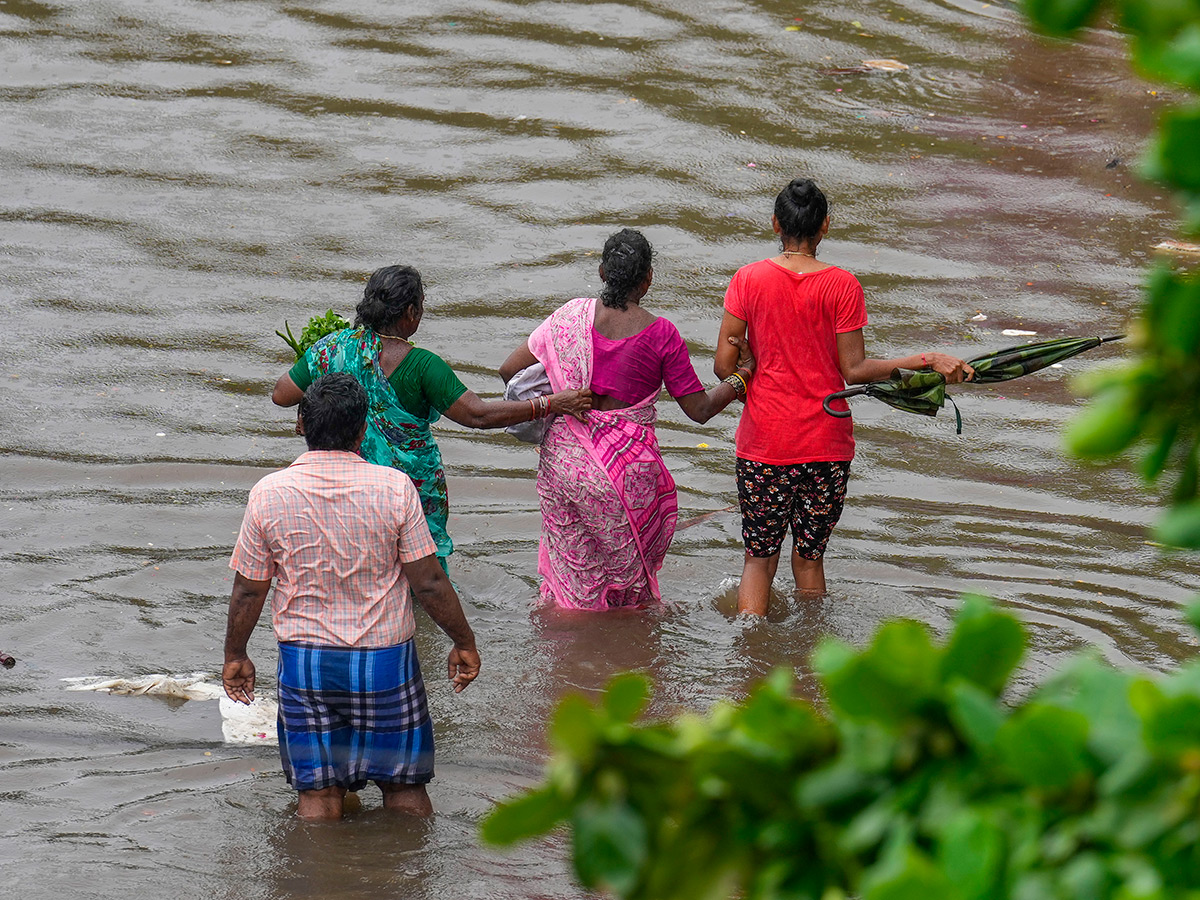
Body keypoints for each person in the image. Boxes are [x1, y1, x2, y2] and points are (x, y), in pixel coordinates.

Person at [222, 373, 481, 820]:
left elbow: (249, 587)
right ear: (363, 430)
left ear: (302, 423)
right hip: (384, 660)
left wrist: (236, 653)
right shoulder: (395, 488)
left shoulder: (268, 493)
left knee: (318, 796)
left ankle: (325, 878)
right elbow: (430, 582)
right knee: (403, 787)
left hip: (306, 666)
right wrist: (463, 641)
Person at [714, 178, 974, 615]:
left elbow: (724, 368)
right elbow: (854, 370)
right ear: (826, 226)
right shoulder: (842, 285)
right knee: (810, 559)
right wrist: (927, 359)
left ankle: (751, 652)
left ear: (776, 223)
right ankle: (813, 653)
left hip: (764, 443)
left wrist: (756, 372)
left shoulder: (747, 280)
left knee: (759, 560)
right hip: (825, 444)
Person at [271, 265, 591, 571]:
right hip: (409, 493)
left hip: (342, 487)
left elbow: (281, 395)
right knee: (421, 577)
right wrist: (551, 403)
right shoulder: (422, 365)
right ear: (411, 313)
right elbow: (477, 414)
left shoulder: (330, 349)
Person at [500, 228, 755, 610]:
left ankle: (568, 653)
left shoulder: (570, 318)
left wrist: (559, 400)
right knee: (627, 591)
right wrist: (742, 377)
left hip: (562, 466)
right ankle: (622, 654)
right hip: (623, 479)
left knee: (572, 572)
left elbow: (509, 371)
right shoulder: (661, 334)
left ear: (602, 272)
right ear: (648, 279)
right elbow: (699, 410)